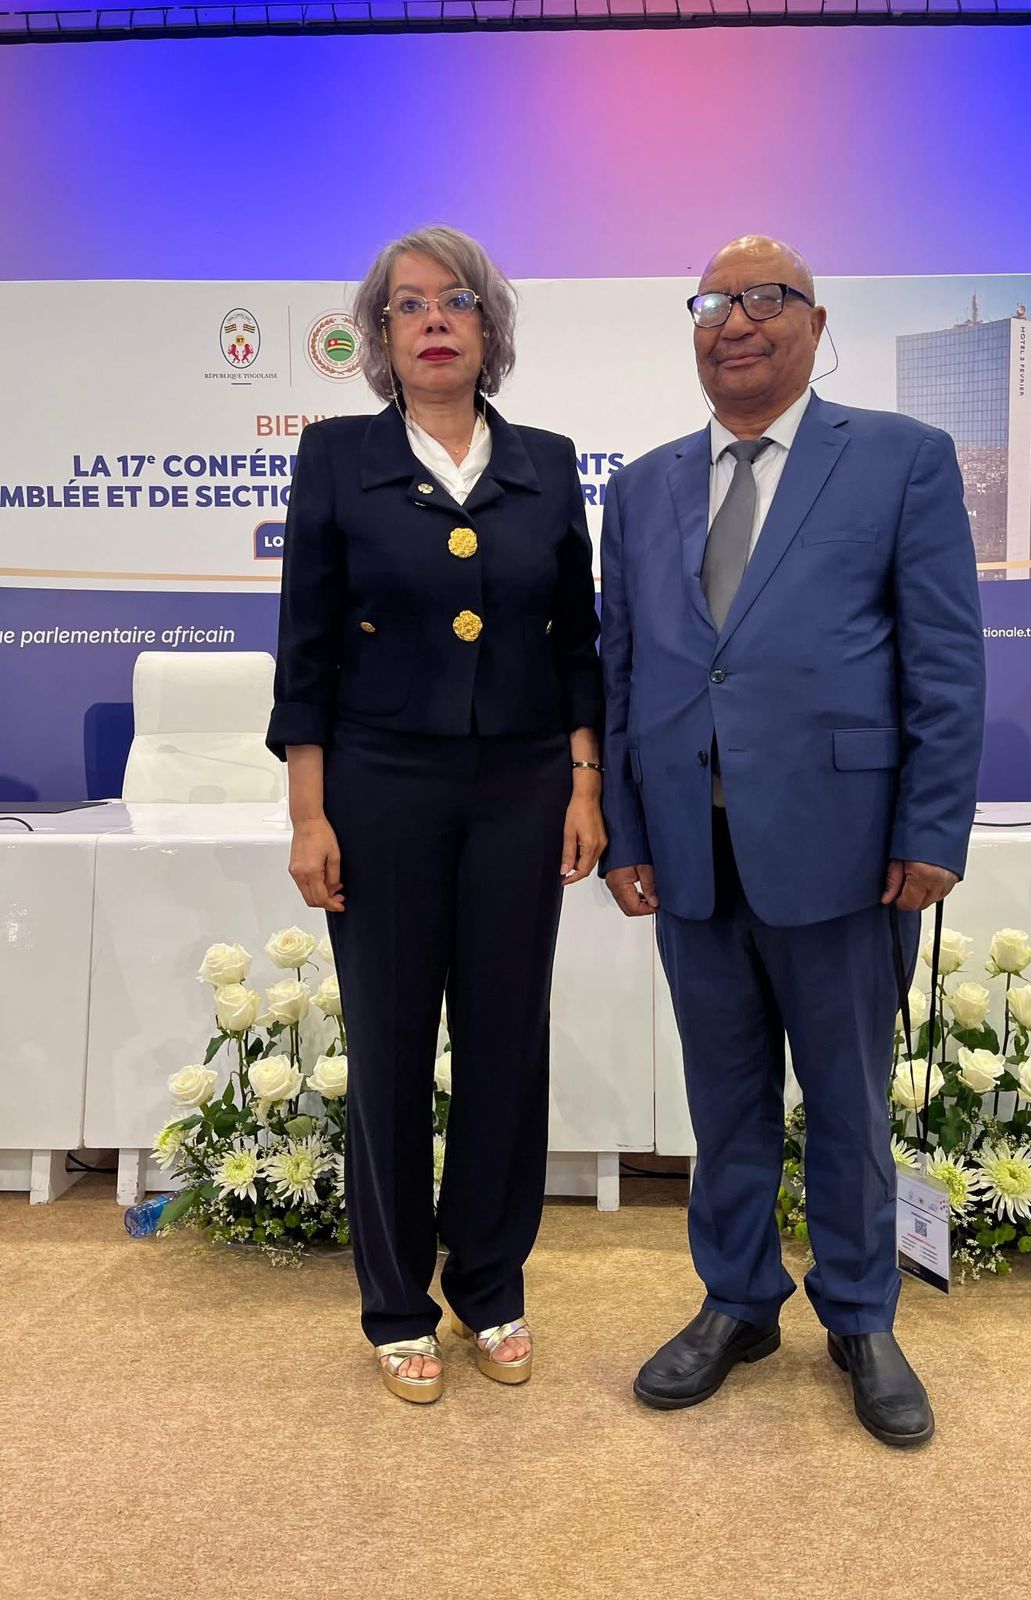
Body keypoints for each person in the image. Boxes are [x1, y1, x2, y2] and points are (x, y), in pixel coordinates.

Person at [600, 236, 984, 1445]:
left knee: (849, 1104)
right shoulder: (643, 487)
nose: (737, 321)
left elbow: (944, 661)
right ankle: (738, 1300)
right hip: (690, 853)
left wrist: (932, 826)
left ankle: (862, 1316)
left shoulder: (901, 460)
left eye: (767, 298)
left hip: (847, 849)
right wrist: (624, 830)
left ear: (817, 324)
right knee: (725, 1104)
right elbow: (624, 673)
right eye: (714, 302)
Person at [267, 226, 605, 1404]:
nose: (434, 321)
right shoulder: (337, 456)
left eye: (456, 300)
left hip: (523, 788)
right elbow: (306, 647)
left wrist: (584, 782)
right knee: (393, 1042)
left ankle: (492, 1282)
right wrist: (308, 813)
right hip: (379, 788)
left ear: (488, 325)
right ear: (381, 335)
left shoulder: (547, 462)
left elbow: (578, 644)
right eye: (408, 305)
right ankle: (397, 1301)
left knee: (508, 1041)